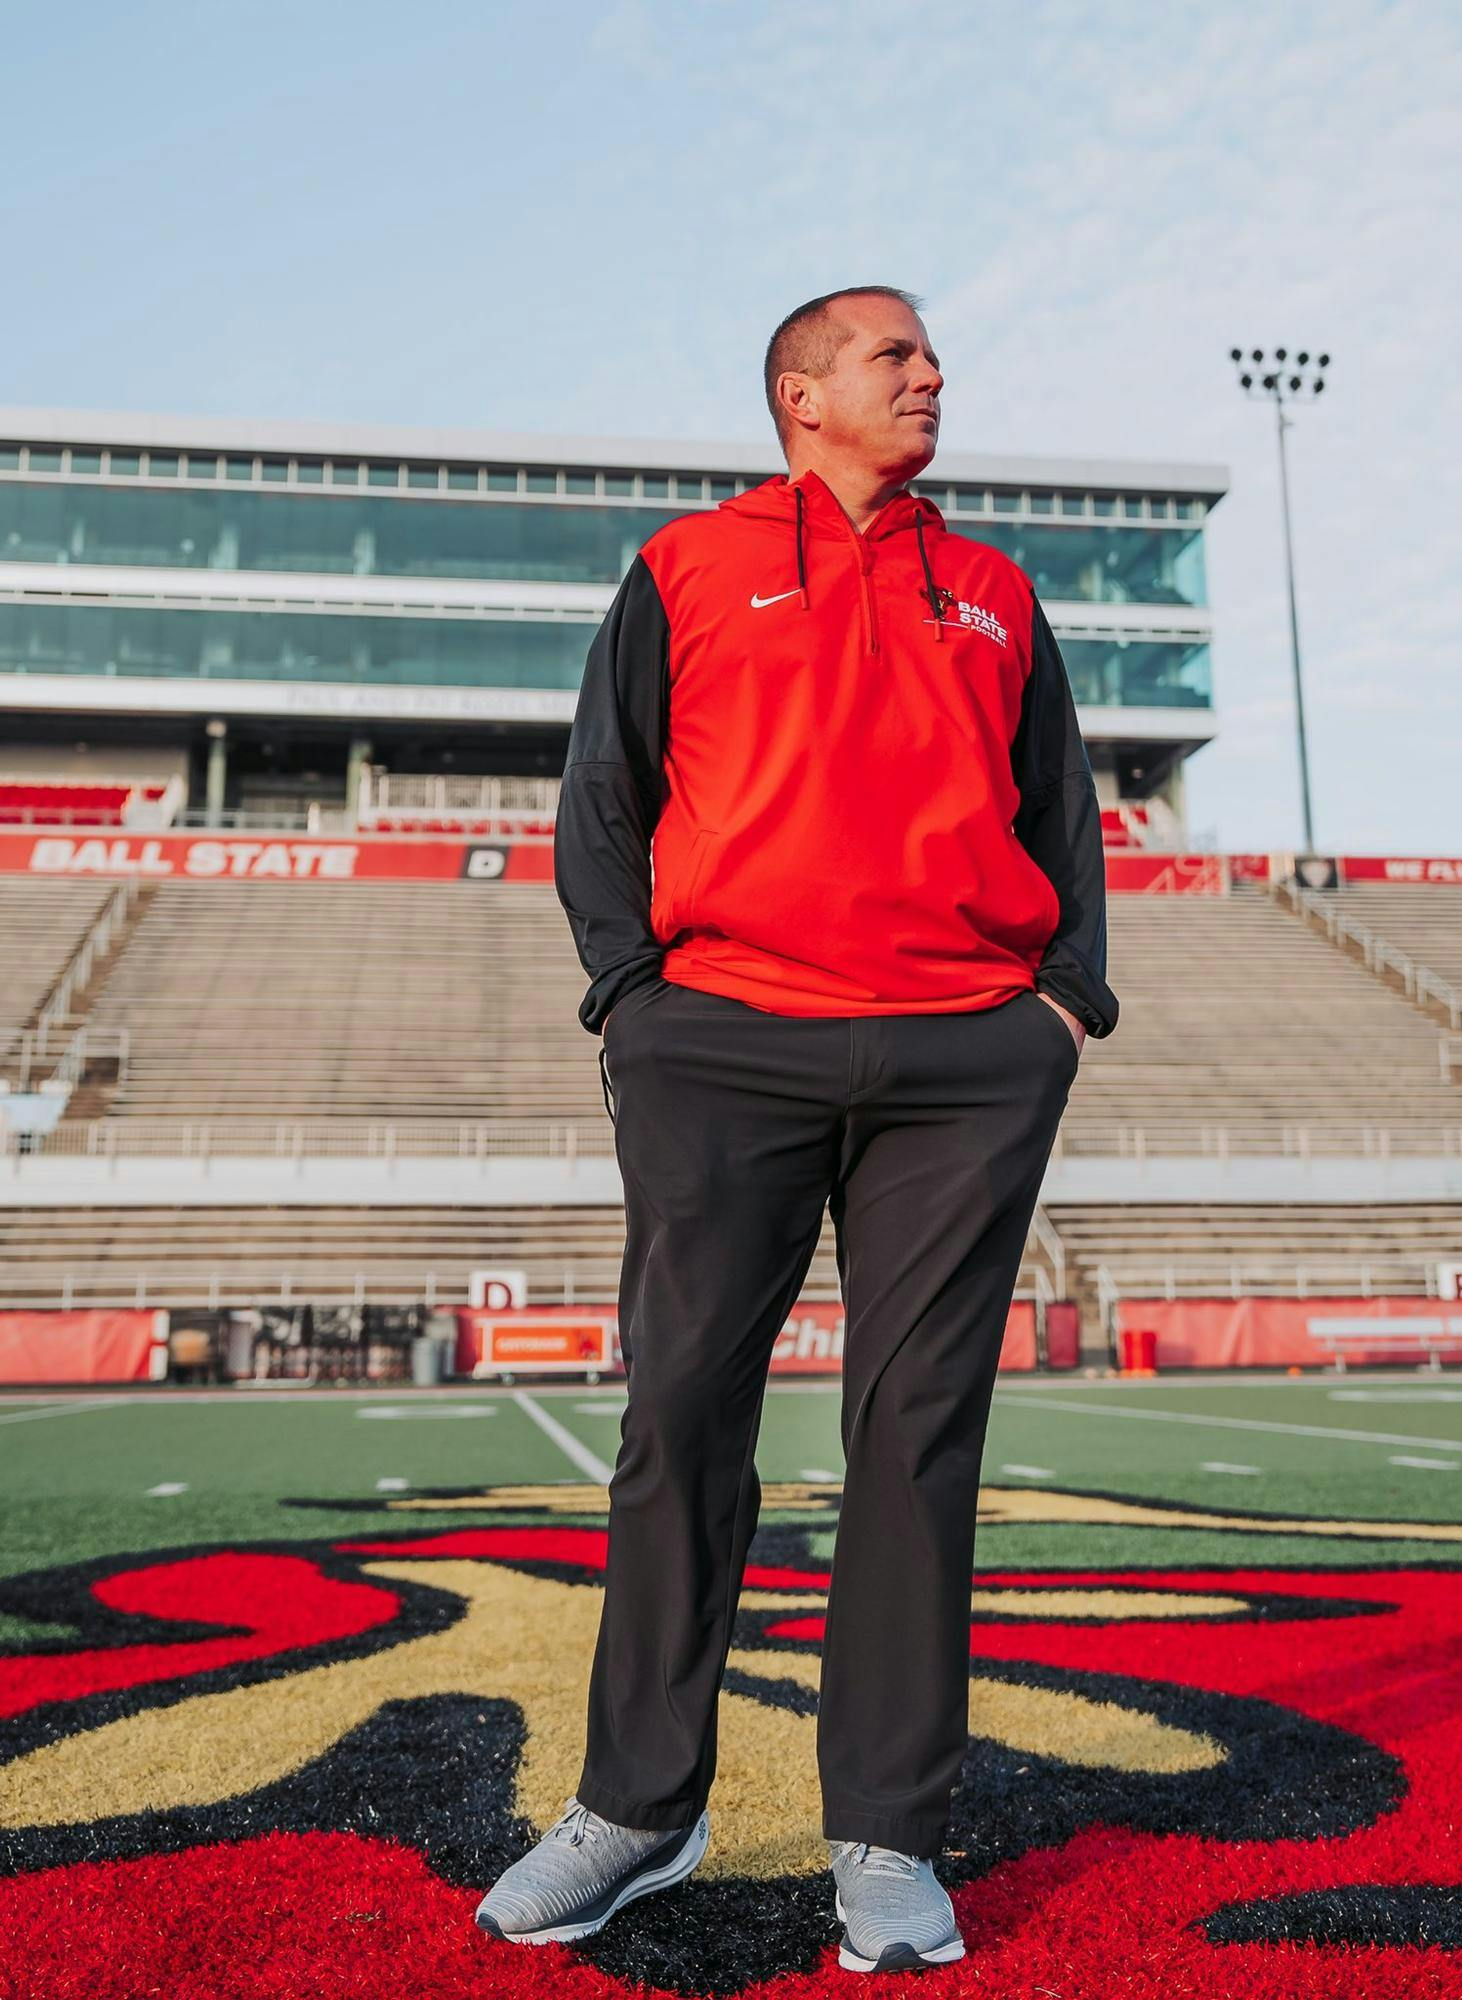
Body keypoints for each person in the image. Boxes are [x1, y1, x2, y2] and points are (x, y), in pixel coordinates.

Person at [475, 284, 1119, 1973]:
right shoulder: (687, 567)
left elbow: (1063, 810)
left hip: (964, 1060)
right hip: (728, 1041)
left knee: (917, 1441)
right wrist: (637, 997)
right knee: (681, 1414)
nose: (929, 375)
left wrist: (1062, 1009)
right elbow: (602, 798)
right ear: (800, 392)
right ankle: (636, 1808)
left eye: (930, 355)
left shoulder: (992, 585)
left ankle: (892, 1837)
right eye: (893, 355)